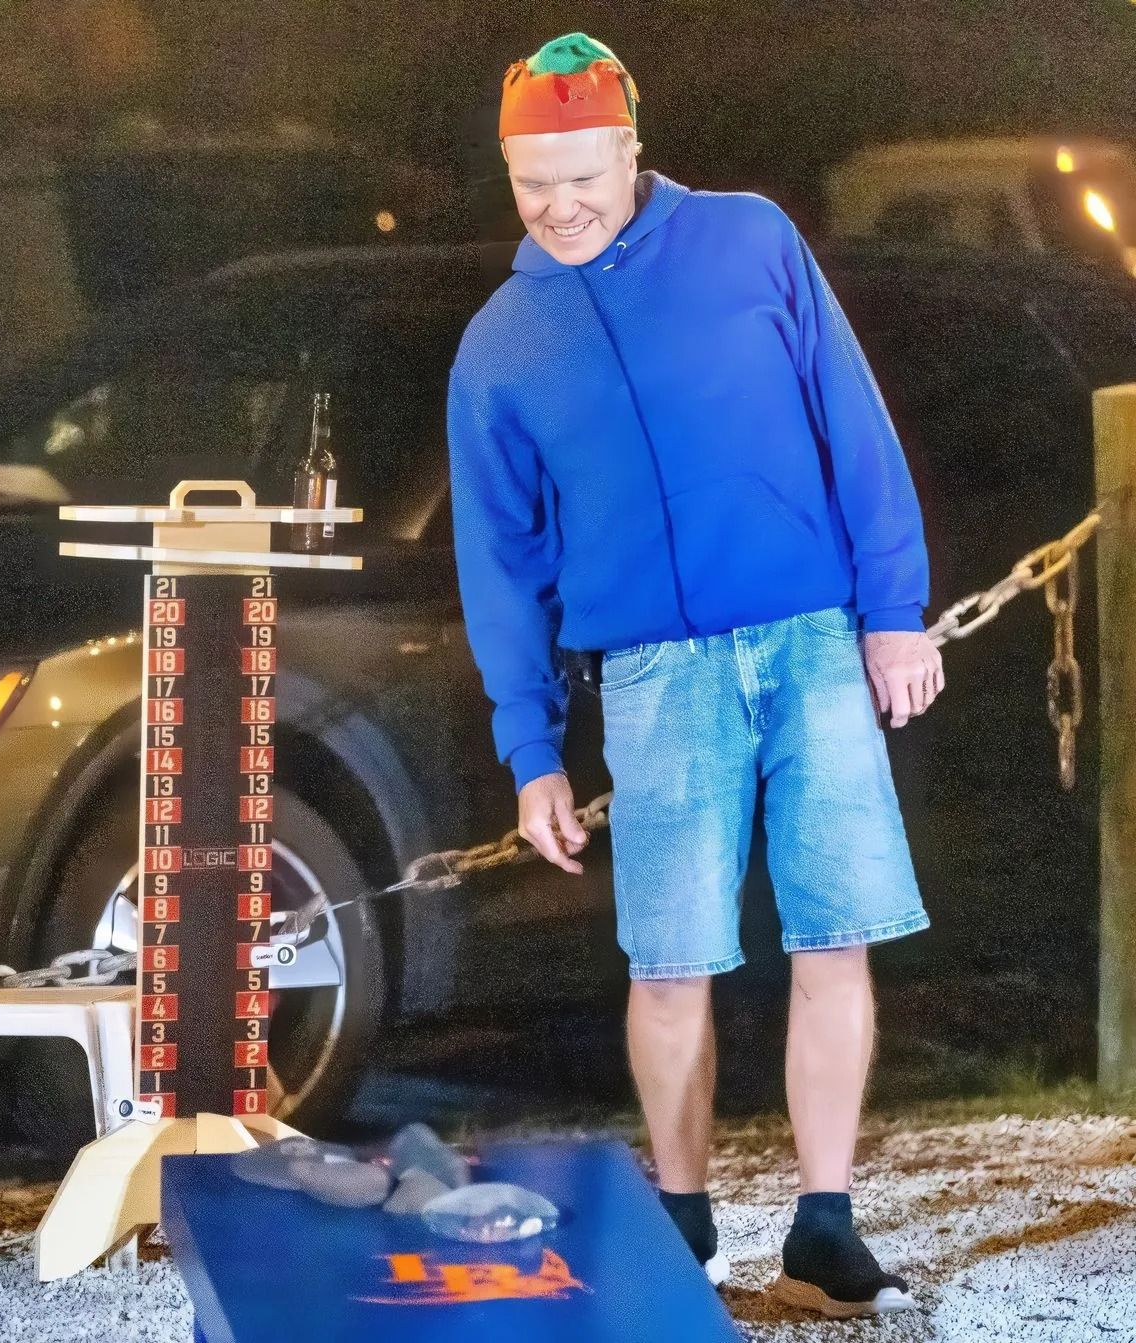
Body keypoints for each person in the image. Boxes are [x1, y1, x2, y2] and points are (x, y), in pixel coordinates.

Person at [449, 33, 942, 1319]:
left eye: (579, 175)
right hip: (654, 676)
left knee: (835, 935)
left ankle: (824, 1223)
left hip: (812, 638)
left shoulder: (750, 239)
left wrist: (895, 611)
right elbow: (501, 565)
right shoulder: (501, 343)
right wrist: (533, 749)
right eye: (528, 181)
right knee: (669, 961)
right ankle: (683, 1219)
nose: (558, 205)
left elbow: (854, 416)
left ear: (628, 147)